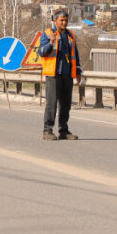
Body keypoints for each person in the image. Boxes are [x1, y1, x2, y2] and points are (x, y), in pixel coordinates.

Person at [38, 10, 82, 140]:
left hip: (67, 73)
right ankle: (47, 131)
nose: (64, 23)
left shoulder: (70, 35)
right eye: (61, 20)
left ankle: (64, 130)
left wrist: (78, 72)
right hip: (53, 74)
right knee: (51, 104)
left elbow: (75, 55)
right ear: (55, 21)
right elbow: (41, 52)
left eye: (66, 20)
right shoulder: (47, 34)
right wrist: (50, 43)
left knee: (66, 104)